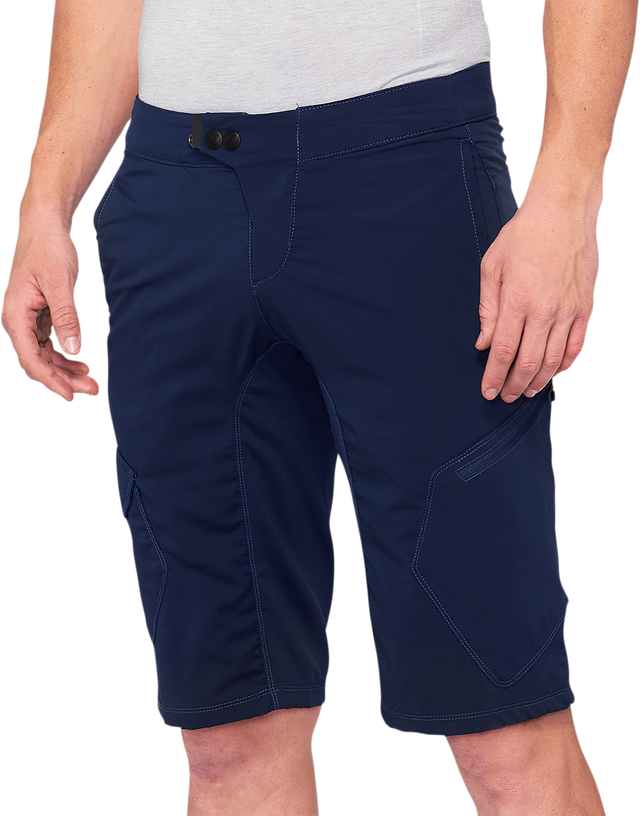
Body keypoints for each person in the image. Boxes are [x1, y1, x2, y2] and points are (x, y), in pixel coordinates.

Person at [1, 0, 636, 813]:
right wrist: (45, 205)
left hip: (408, 173)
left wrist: (567, 201)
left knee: (503, 719)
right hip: (177, 195)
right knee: (230, 729)